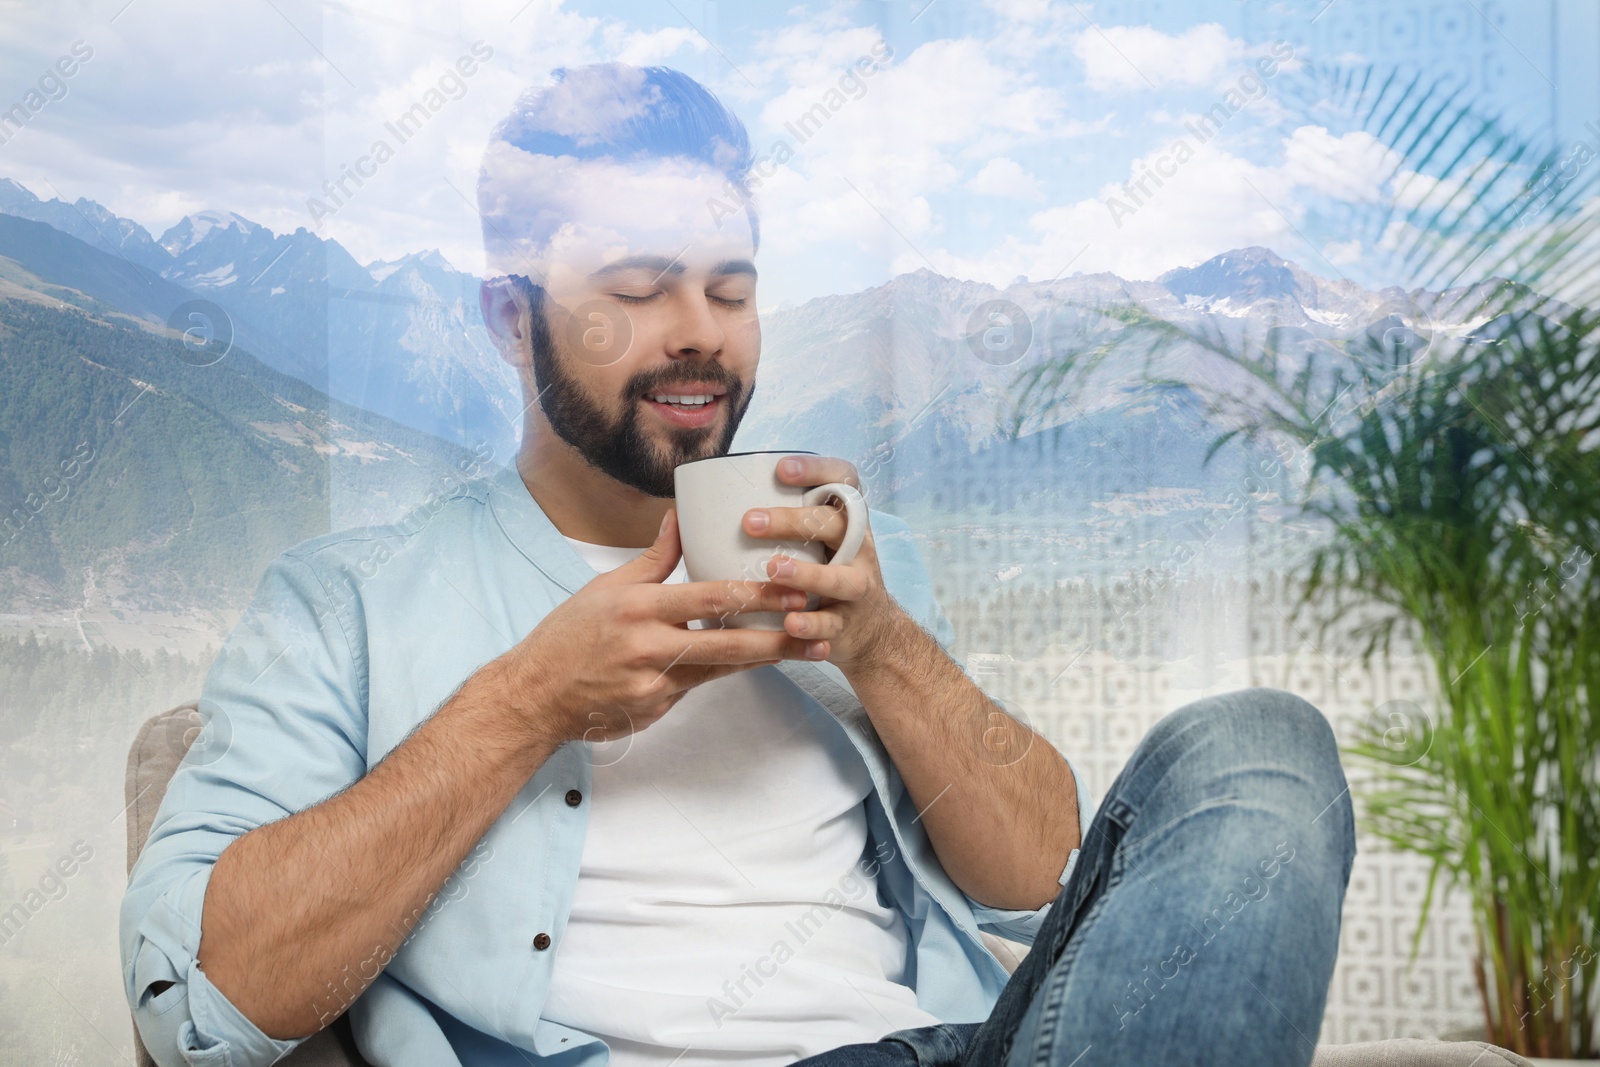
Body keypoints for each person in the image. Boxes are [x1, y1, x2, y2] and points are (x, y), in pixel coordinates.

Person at [121, 63, 1355, 1067]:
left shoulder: (857, 565)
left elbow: (1042, 890)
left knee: (1262, 741)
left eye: (729, 287)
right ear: (508, 319)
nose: (699, 331)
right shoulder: (344, 601)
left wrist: (879, 643)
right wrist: (531, 699)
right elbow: (202, 1007)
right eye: (639, 290)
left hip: (944, 1046)